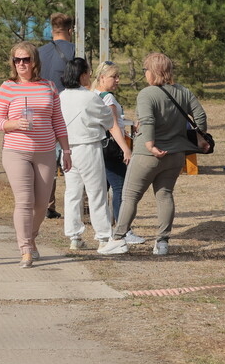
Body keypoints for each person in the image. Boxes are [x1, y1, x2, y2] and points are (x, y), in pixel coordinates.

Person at [99, 52, 207, 256]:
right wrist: (200, 137)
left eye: (145, 70)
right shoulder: (183, 91)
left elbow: (147, 121)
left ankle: (119, 238)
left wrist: (149, 145)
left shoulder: (147, 94)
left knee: (130, 196)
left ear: (153, 72)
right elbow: (200, 114)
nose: (145, 73)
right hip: (175, 155)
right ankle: (162, 242)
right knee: (165, 195)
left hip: (148, 155)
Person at [0, 41, 72, 268]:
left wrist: (66, 150)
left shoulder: (48, 86)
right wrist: (14, 123)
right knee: (24, 201)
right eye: (17, 60)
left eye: (25, 59)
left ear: (34, 61)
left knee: (42, 203)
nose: (21, 64)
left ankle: (32, 237)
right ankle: (25, 249)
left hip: (46, 151)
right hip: (16, 151)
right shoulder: (8, 87)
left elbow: (58, 120)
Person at [59, 58, 113, 250]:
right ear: (82, 75)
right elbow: (108, 119)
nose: (90, 76)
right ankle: (104, 237)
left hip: (67, 149)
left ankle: (74, 236)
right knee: (96, 193)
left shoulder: (61, 96)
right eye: (88, 72)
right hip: (88, 147)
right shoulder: (90, 97)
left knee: (73, 193)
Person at [90, 61, 141, 245]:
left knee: (102, 190)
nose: (117, 80)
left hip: (97, 148)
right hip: (112, 149)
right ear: (102, 78)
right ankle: (123, 230)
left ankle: (103, 229)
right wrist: (126, 148)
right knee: (121, 189)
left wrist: (125, 122)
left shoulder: (93, 95)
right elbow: (112, 126)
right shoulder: (109, 99)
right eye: (114, 77)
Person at [38, 12, 76, 220]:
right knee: (71, 155)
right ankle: (79, 203)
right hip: (68, 108)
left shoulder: (40, 51)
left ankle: (47, 204)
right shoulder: (74, 50)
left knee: (48, 159)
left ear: (52, 31)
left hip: (44, 109)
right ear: (70, 31)